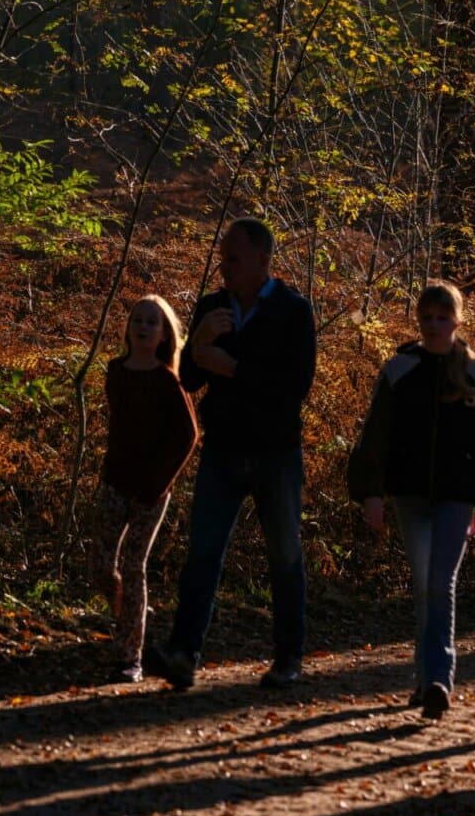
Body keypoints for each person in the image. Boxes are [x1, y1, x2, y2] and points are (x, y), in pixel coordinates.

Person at [142, 218, 318, 691]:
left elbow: (295, 387)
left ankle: (288, 657)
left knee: (285, 556)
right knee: (202, 552)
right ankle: (184, 653)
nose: (225, 267)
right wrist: (198, 342)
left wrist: (234, 368)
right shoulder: (212, 308)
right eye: (223, 258)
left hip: (276, 453)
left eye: (233, 258)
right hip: (222, 449)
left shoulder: (293, 311)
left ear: (263, 259)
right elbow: (188, 380)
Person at [347, 281, 475, 721]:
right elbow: (375, 434)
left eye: (442, 317)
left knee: (440, 582)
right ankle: (424, 677)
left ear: (457, 320)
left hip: (458, 496)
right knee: (423, 584)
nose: (434, 325)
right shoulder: (400, 370)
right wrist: (371, 492)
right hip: (410, 493)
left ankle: (438, 678)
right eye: (427, 317)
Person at [93, 295, 199, 683]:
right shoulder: (115, 371)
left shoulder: (168, 381)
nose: (142, 326)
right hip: (115, 481)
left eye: (152, 322)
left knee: (133, 567)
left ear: (164, 334)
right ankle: (128, 609)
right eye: (137, 319)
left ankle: (130, 657)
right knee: (101, 565)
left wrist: (159, 482)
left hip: (151, 491)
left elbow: (188, 436)